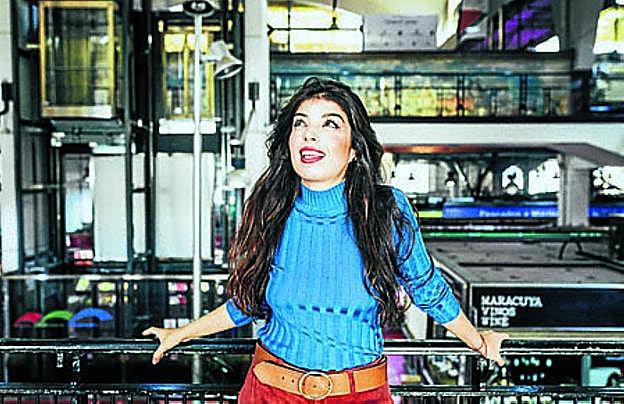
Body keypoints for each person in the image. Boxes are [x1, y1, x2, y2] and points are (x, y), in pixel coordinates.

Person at [142, 77, 508, 402]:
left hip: (359, 394)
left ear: (353, 149)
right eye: (300, 123)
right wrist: (182, 333)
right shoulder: (271, 208)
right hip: (270, 391)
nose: (309, 134)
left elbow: (426, 287)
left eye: (329, 124)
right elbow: (247, 303)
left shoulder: (386, 208)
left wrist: (477, 340)